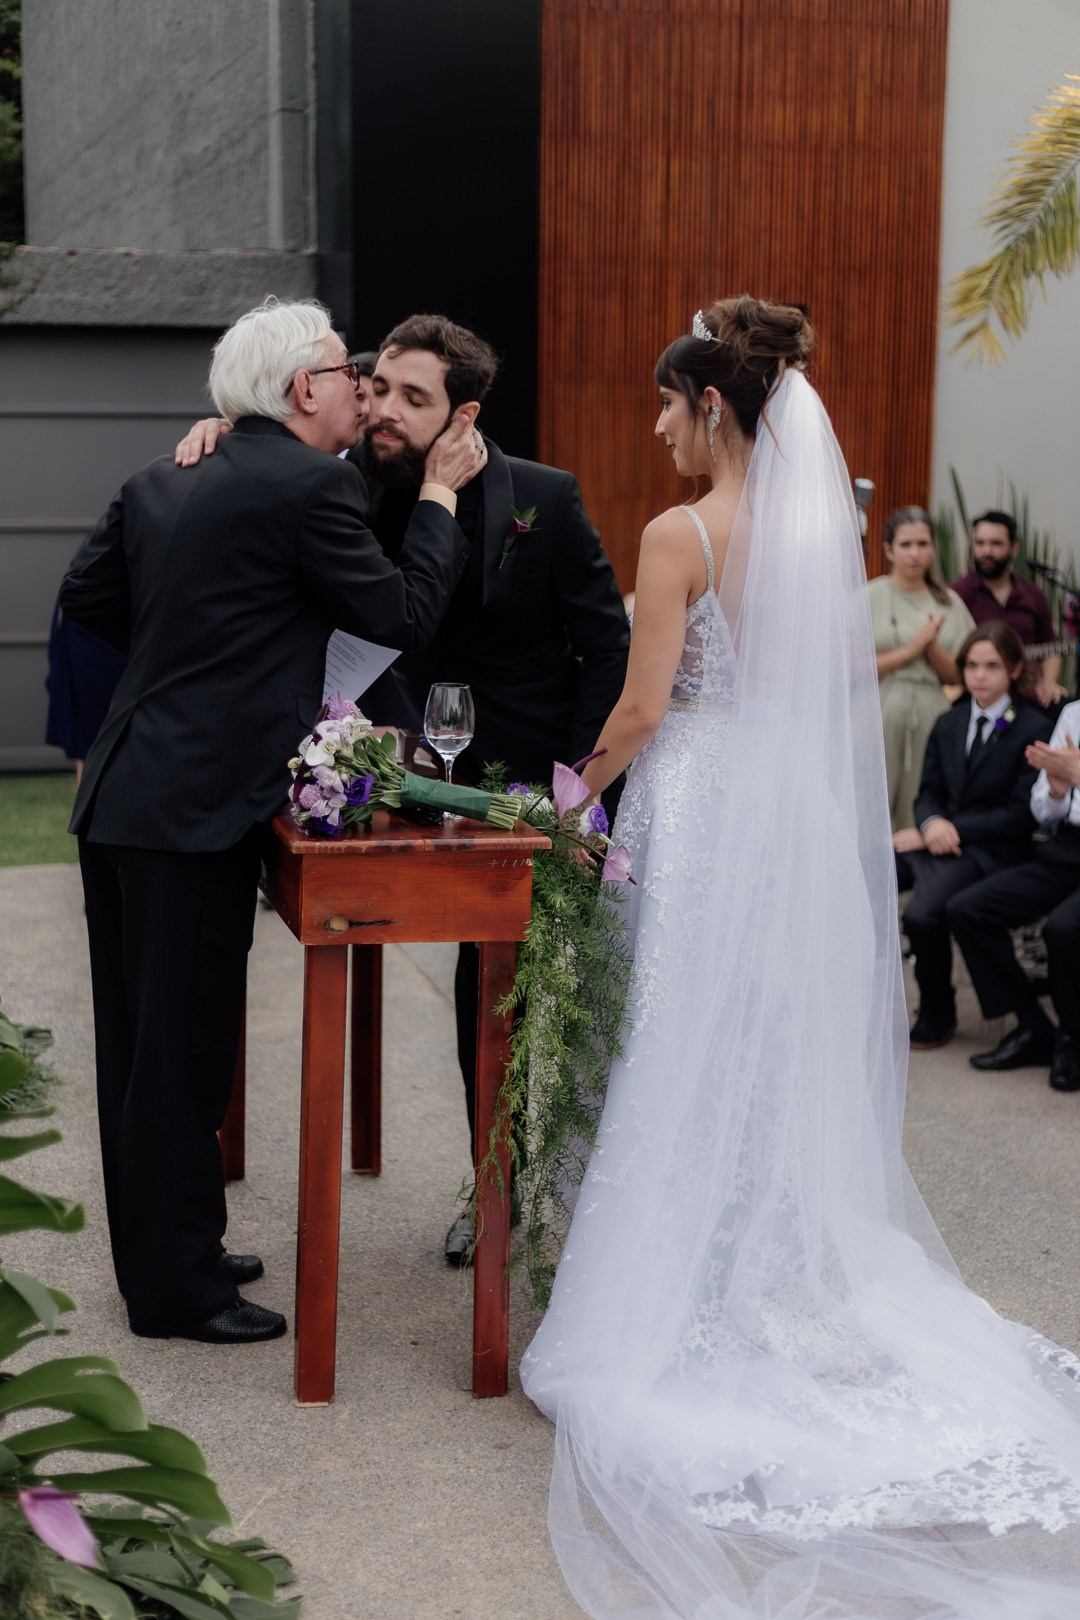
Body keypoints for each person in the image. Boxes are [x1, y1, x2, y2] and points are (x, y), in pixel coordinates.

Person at [520, 297, 1080, 1620]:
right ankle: (757, 1263)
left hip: (700, 803)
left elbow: (645, 706)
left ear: (711, 405)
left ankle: (683, 1290)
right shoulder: (818, 534)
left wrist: (568, 795)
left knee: (673, 1034)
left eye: (667, 404)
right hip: (786, 813)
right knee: (758, 1038)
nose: (657, 428)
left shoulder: (680, 534)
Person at [61, 296, 481, 1345]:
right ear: (303, 388)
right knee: (180, 1056)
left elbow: (88, 596)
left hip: (127, 790)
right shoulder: (309, 486)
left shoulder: (166, 476)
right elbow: (402, 613)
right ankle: (176, 1293)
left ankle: (178, 1253)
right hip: (191, 808)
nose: (362, 391)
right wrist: (438, 498)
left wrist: (197, 646)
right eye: (348, 374)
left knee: (150, 1049)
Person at [176, 313, 630, 1265]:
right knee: (444, 980)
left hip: (529, 789)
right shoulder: (343, 486)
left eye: (411, 398)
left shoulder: (543, 499)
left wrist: (579, 793)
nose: (381, 409)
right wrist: (225, 432)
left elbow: (607, 649)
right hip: (394, 777)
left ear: (463, 416)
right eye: (376, 386)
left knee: (511, 992)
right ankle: (492, 1184)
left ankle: (518, 1190)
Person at [893, 621, 1051, 1049]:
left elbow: (1021, 815)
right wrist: (930, 822)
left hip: (990, 852)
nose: (979, 675)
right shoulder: (949, 721)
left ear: (1014, 668)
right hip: (939, 841)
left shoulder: (1033, 727)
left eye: (992, 666)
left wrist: (946, 829)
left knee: (922, 914)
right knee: (867, 868)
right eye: (971, 666)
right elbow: (928, 791)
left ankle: (938, 1009)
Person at [947, 697, 1080, 1089]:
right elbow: (1043, 812)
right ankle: (1033, 1026)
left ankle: (1072, 1038)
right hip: (1068, 846)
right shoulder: (1074, 714)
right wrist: (1057, 790)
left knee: (1063, 928)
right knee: (968, 909)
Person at [868, 507, 974, 829]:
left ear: (933, 548)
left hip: (931, 711)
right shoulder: (869, 595)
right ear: (889, 550)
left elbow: (960, 675)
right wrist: (911, 650)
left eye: (922, 544)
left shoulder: (949, 603)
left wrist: (931, 648)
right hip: (876, 709)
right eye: (906, 545)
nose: (915, 553)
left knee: (923, 794)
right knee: (871, 796)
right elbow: (850, 668)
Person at [952, 508, 1068, 708]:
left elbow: (1051, 649)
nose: (987, 552)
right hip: (975, 697)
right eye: (980, 543)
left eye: (996, 543)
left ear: (1014, 547)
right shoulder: (958, 594)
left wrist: (1049, 682)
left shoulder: (1033, 595)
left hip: (1026, 697)